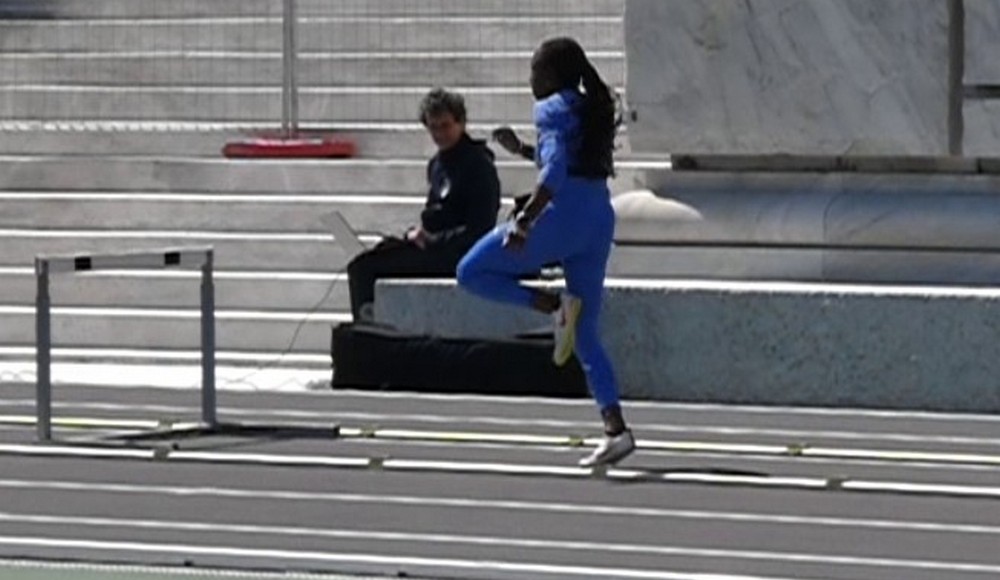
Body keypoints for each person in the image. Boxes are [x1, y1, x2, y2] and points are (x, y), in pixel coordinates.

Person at [456, 37, 634, 467]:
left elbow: (554, 173)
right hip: (597, 219)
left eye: (534, 70)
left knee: (470, 272)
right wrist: (520, 150)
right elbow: (568, 162)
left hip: (561, 217)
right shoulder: (590, 106)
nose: (530, 79)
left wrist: (523, 221)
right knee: (586, 333)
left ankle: (552, 304)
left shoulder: (550, 107)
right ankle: (616, 429)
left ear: (551, 75)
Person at [347, 88, 501, 322]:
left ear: (461, 123)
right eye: (433, 127)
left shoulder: (479, 165)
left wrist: (434, 241)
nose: (440, 134)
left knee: (366, 269)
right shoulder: (437, 165)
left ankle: (370, 327)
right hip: (433, 246)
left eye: (445, 126)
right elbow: (432, 214)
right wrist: (414, 234)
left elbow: (480, 228)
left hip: (458, 252)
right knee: (369, 259)